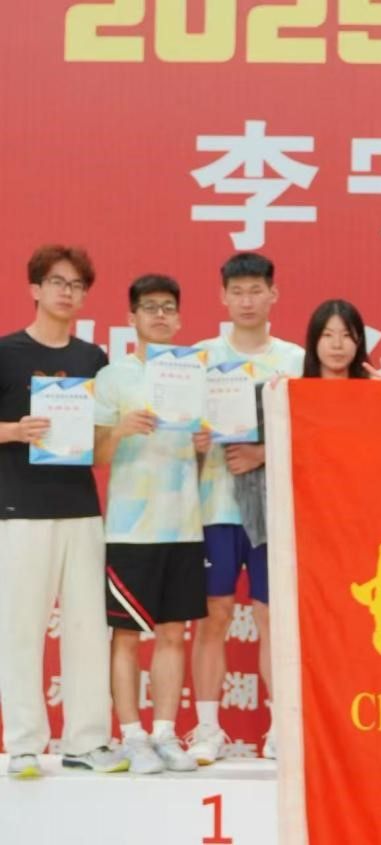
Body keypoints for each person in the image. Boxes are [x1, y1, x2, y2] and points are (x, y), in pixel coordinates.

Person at [0, 245, 126, 777]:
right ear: (35, 288)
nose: (66, 292)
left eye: (76, 285)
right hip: (19, 508)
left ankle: (86, 741)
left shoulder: (93, 359)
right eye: (57, 282)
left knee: (88, 627)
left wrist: (123, 429)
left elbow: (97, 449)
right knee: (20, 628)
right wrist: (13, 431)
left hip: (80, 508)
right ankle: (25, 744)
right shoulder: (6, 353)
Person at [188, 252, 305, 765]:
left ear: (273, 294)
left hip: (273, 512)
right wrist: (193, 442)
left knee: (271, 617)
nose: (247, 301)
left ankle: (281, 728)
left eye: (256, 290)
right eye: (237, 292)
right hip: (213, 506)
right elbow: (178, 432)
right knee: (213, 615)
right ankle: (207, 728)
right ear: (223, 297)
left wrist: (262, 453)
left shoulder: (295, 360)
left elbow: (314, 434)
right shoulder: (200, 358)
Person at [94, 274, 205, 774]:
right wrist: (120, 429)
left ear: (179, 318)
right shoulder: (114, 377)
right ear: (132, 318)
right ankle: (132, 736)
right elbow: (93, 454)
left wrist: (203, 445)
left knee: (173, 634)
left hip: (184, 526)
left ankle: (164, 733)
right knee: (125, 636)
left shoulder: (194, 373)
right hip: (130, 529)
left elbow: (204, 448)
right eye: (149, 307)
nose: (160, 315)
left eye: (168, 308)